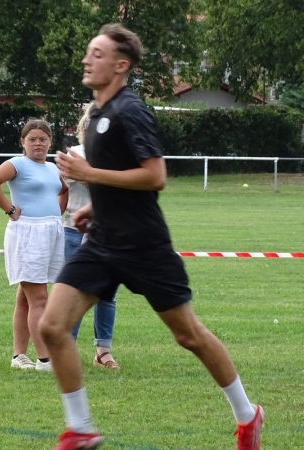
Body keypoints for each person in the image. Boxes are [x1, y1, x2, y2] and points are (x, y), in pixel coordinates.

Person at [38, 24, 264, 450]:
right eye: (89, 51)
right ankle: (80, 428)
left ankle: (247, 414)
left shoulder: (130, 110)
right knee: (52, 327)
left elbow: (155, 176)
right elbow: (118, 178)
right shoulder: (99, 113)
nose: (88, 59)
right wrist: (96, 203)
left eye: (98, 53)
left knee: (188, 335)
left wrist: (89, 176)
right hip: (103, 242)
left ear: (121, 65)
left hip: (144, 245)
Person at [0, 118, 68, 372]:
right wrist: (9, 209)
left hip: (50, 232)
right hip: (28, 233)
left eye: (43, 139)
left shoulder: (52, 168)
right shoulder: (17, 164)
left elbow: (63, 191)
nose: (38, 144)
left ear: (50, 141)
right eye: (32, 139)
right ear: (23, 142)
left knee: (26, 297)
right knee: (39, 296)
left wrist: (56, 214)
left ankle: (19, 355)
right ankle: (45, 359)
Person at [64, 103, 120, 370]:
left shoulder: (116, 156)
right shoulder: (74, 153)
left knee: (107, 294)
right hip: (74, 229)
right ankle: (67, 350)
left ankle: (103, 351)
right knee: (73, 293)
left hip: (109, 230)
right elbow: (67, 183)